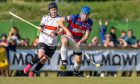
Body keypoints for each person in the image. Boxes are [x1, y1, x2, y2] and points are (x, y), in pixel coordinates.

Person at [23, 2, 63, 77]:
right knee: (41, 54)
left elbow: (61, 30)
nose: (53, 11)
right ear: (49, 11)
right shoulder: (45, 17)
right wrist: (41, 29)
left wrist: (55, 33)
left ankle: (33, 72)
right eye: (52, 10)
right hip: (43, 40)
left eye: (55, 10)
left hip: (52, 43)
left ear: (57, 10)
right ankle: (29, 66)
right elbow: (41, 26)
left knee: (44, 59)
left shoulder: (60, 19)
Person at [57, 6, 93, 76]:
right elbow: (59, 21)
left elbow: (86, 36)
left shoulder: (89, 22)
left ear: (89, 14)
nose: (85, 16)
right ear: (81, 13)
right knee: (64, 41)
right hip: (68, 37)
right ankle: (64, 63)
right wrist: (67, 31)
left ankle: (76, 73)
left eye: (87, 14)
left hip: (77, 41)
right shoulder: (74, 17)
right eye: (84, 14)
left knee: (78, 60)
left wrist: (80, 42)